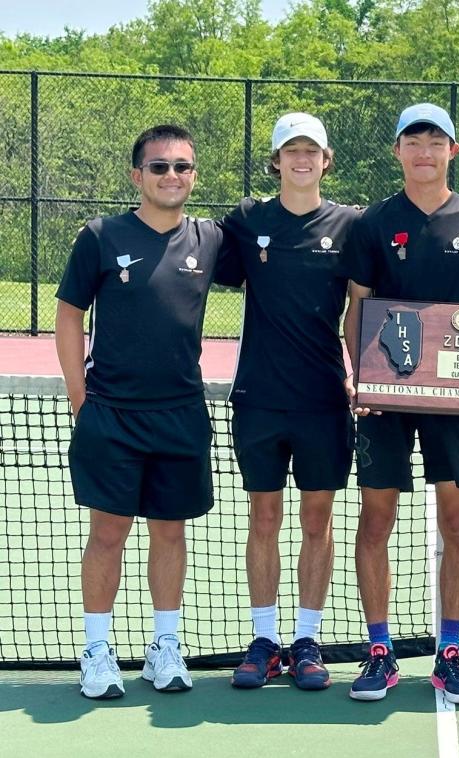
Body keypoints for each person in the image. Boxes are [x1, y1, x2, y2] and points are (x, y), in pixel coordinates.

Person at [341, 103, 459, 703]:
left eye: (435, 141)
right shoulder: (374, 222)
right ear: (398, 152)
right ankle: (380, 651)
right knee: (376, 518)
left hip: (455, 401)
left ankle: (451, 652)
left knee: (457, 522)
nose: (424, 151)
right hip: (386, 398)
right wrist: (359, 376)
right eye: (413, 140)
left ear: (452, 151)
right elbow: (357, 306)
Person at [56, 124, 226, 698]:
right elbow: (69, 315)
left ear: (194, 175)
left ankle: (164, 647)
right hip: (112, 414)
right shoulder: (101, 236)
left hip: (181, 413)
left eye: (182, 166)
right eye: (159, 167)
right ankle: (98, 651)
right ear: (138, 176)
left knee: (170, 532)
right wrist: (81, 397)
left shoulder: (210, 239)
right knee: (108, 532)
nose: (171, 176)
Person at [216, 113, 358, 690]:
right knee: (263, 518)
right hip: (259, 399)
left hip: (324, 400)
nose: (301, 158)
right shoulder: (247, 221)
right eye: (290, 150)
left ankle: (305, 639)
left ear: (326, 160)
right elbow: (186, 250)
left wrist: (363, 375)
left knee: (317, 521)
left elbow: (366, 306)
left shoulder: (351, 226)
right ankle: (265, 639)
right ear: (276, 161)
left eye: (312, 150)